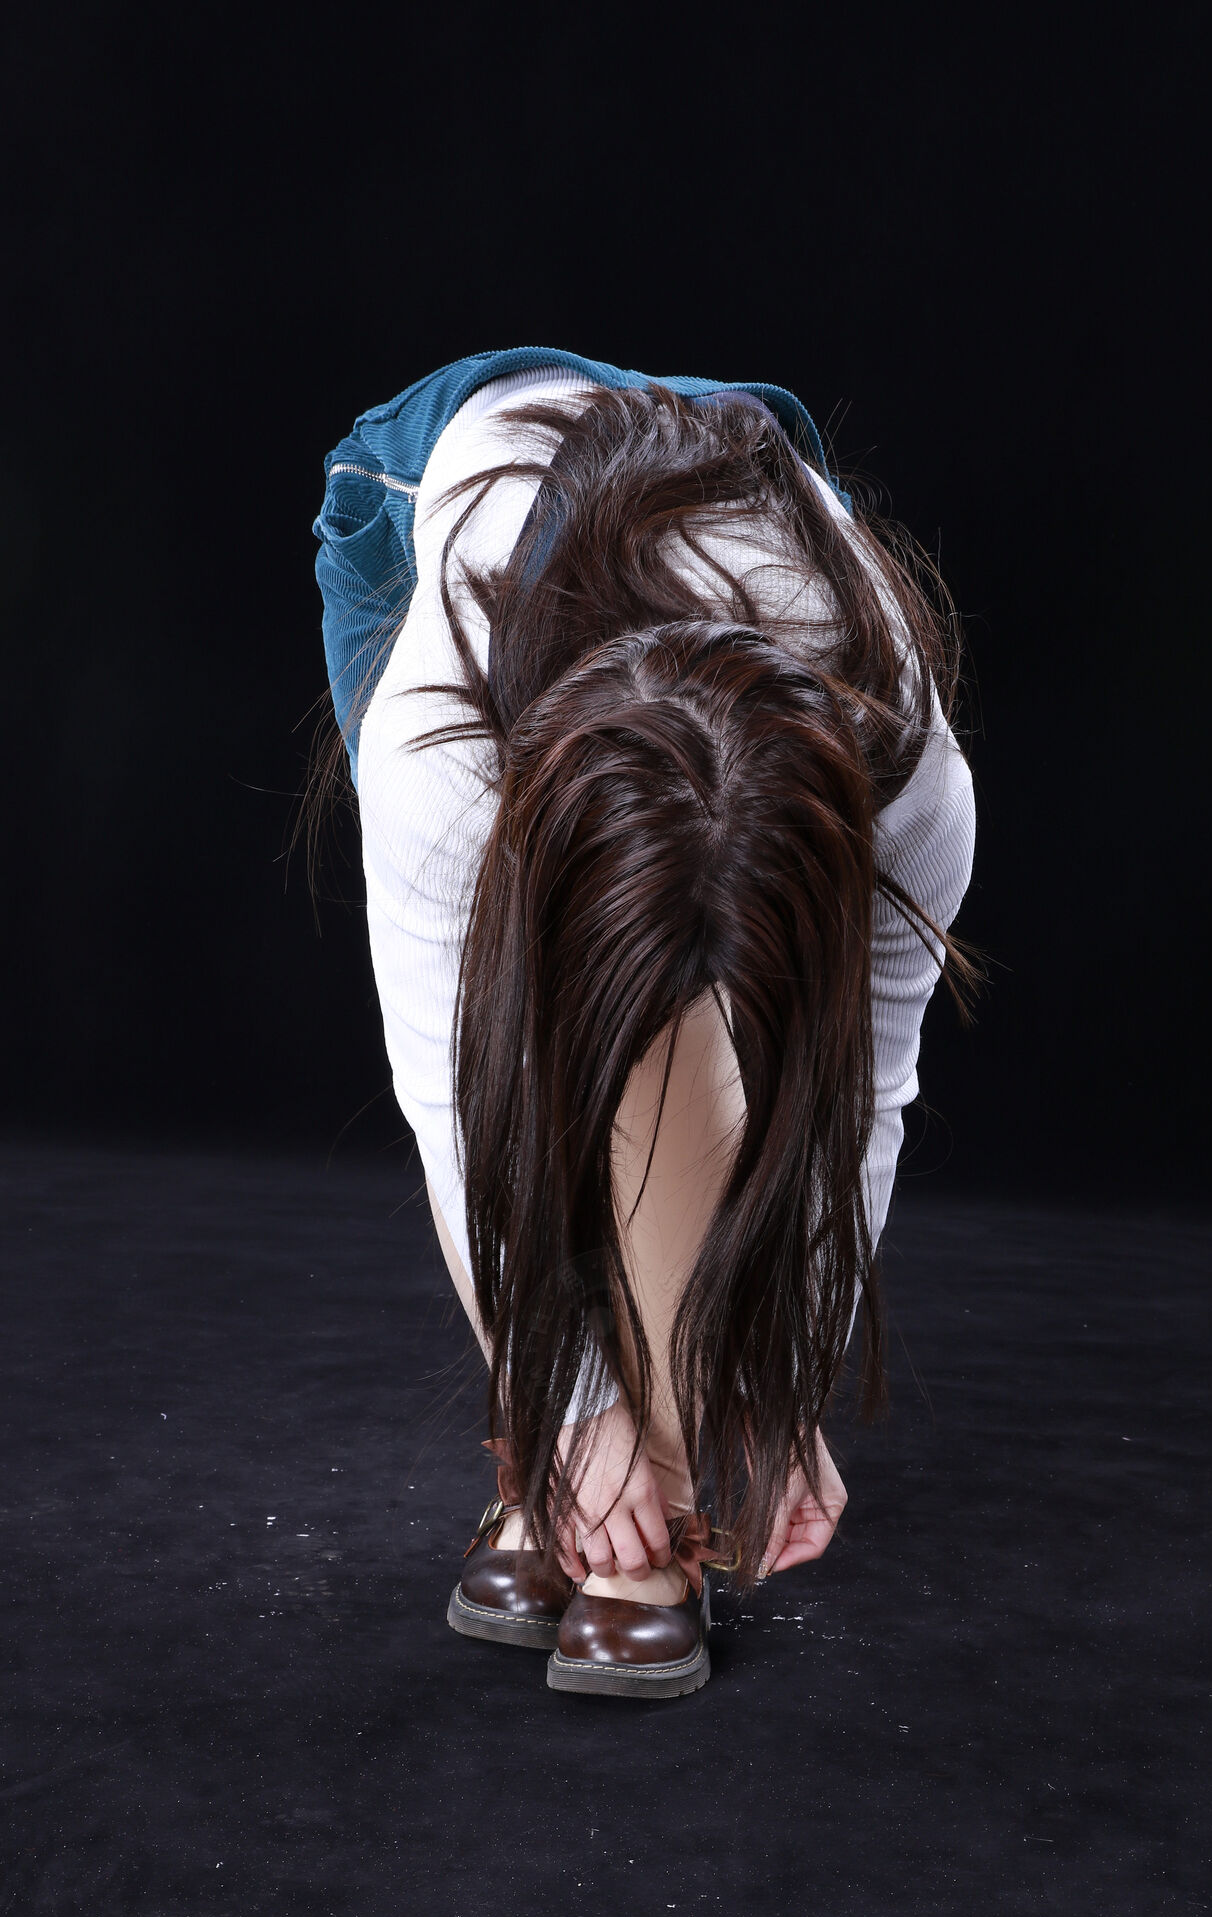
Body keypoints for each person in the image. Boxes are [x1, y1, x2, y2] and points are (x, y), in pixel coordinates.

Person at [309, 348, 977, 1700]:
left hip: (754, 530)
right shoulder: (442, 750)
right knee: (569, 1028)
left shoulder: (911, 780)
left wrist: (778, 1379)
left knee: (678, 1051)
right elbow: (456, 1111)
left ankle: (642, 1515)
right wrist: (566, 1406)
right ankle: (556, 1483)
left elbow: (863, 1098)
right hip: (431, 488)